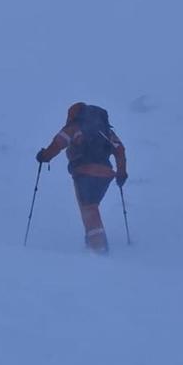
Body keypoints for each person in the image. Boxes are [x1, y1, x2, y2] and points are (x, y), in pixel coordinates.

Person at [36, 102, 127, 253]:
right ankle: (93, 238)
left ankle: (98, 247)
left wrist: (44, 156)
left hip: (84, 171)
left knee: (88, 207)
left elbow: (59, 142)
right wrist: (122, 173)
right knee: (91, 205)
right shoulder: (106, 131)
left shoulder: (75, 127)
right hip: (106, 174)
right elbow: (120, 149)